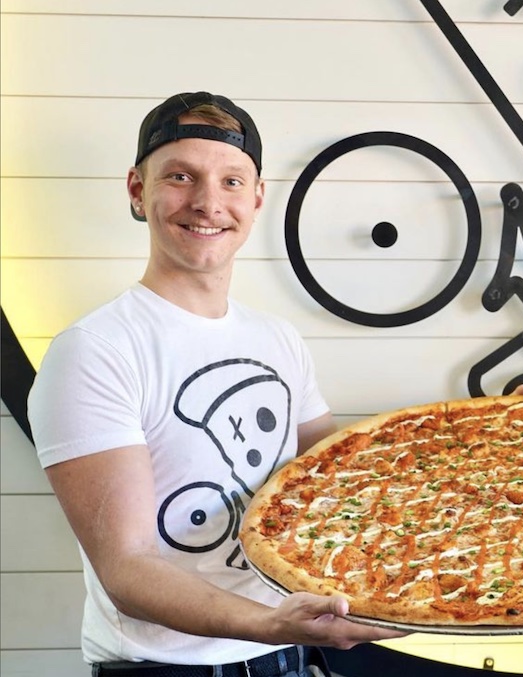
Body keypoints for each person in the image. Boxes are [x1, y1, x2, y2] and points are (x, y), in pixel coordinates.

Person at [27, 92, 405, 676]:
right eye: (181, 176)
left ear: (256, 200)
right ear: (136, 190)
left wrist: (499, 458)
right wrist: (272, 623)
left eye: (231, 182)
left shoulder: (278, 340)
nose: (207, 203)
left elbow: (338, 494)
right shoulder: (95, 350)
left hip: (289, 660)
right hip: (166, 670)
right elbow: (127, 569)